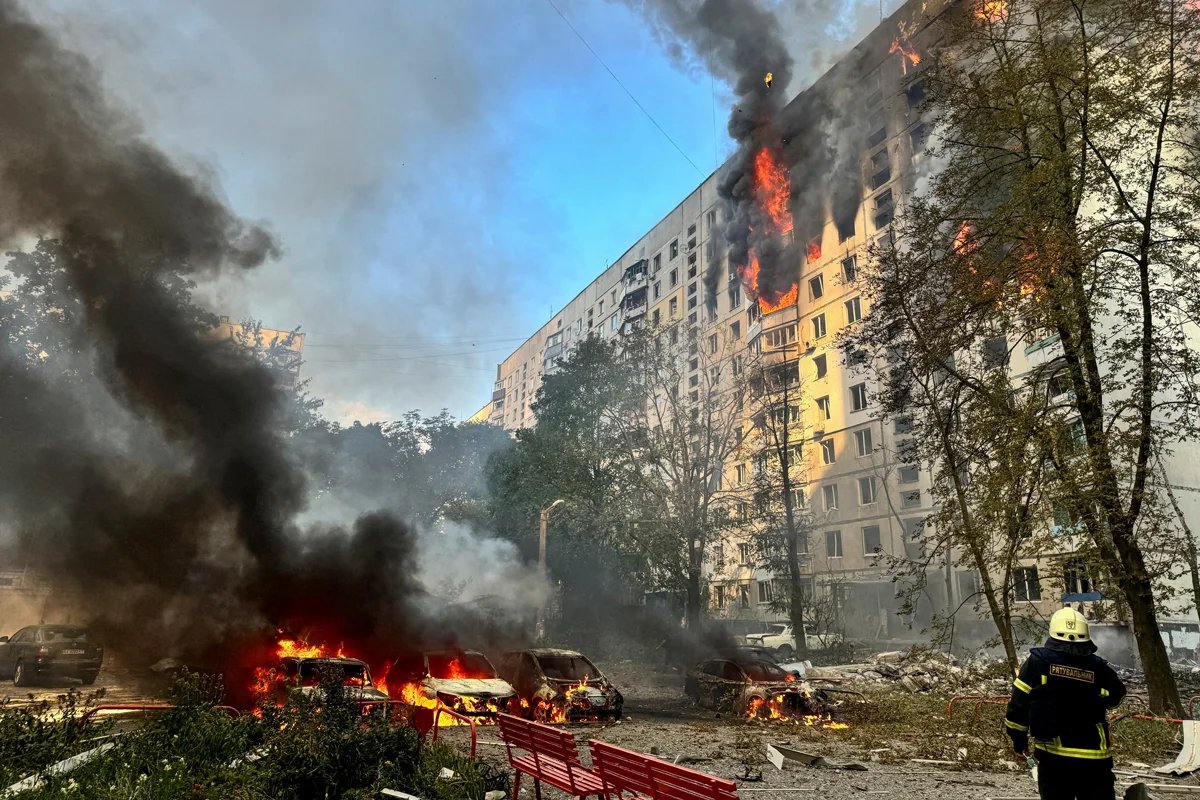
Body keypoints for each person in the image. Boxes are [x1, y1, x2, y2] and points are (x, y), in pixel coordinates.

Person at [1005, 608, 1126, 800]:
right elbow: (1117, 696)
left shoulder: (1038, 662)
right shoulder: (1098, 667)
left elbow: (1018, 705)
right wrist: (1095, 697)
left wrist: (1018, 741)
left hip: (1053, 757)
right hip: (1095, 759)